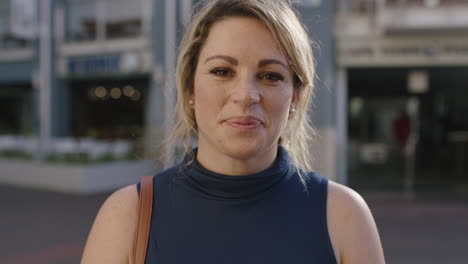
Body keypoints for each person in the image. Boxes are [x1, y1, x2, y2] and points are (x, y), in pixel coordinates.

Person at [81, 0, 385, 263]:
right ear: (190, 89)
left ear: (293, 97)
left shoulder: (344, 218)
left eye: (270, 75)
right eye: (222, 72)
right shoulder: (126, 217)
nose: (245, 95)